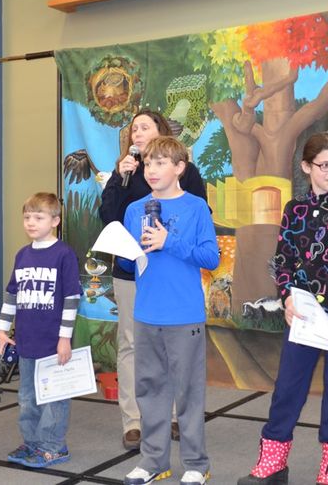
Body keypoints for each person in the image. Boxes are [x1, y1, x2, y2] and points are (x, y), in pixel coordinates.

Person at [238, 133, 328, 485]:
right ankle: (273, 462)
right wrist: (289, 297)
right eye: (325, 165)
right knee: (288, 387)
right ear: (307, 167)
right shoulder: (294, 209)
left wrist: (323, 303)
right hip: (304, 312)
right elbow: (284, 259)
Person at [98, 109, 209, 451]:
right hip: (131, 273)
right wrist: (118, 178)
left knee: (173, 348)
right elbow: (109, 218)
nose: (137, 134)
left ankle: (175, 416)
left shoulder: (184, 170)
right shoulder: (127, 172)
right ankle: (133, 421)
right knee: (132, 344)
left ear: (161, 131)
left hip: (173, 272)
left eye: (144, 127)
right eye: (133, 129)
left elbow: (198, 217)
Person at [117, 136, 219, 485]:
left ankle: (196, 462)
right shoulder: (135, 210)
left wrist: (169, 242)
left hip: (184, 314)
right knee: (149, 390)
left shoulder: (196, 208)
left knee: (189, 391)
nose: (152, 170)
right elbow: (130, 265)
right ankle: (153, 460)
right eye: (148, 163)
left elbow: (211, 257)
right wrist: (123, 253)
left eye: (161, 163)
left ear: (180, 168)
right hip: (146, 312)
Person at [0, 192, 81, 469]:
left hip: (53, 343)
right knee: (27, 397)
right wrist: (2, 328)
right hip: (27, 341)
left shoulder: (64, 255)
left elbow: (71, 298)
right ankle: (32, 442)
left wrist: (64, 339)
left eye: (39, 217)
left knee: (53, 397)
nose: (31, 222)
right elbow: (12, 294)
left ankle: (54, 446)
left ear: (55, 221)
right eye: (27, 217)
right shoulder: (22, 254)